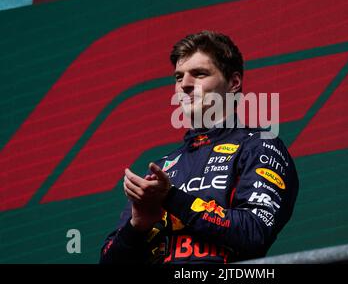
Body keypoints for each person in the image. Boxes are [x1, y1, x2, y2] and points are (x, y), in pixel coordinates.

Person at [99, 30, 299, 264]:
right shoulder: (163, 167)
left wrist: (172, 198)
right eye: (178, 77)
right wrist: (137, 225)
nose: (184, 85)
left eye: (199, 74)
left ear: (234, 83)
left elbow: (254, 231)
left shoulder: (259, 146)